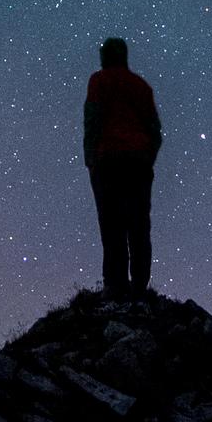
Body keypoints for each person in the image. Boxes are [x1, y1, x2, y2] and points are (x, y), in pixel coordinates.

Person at [83, 37, 162, 298]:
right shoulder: (141, 86)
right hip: (138, 162)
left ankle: (115, 284)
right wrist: (147, 157)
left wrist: (91, 158)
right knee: (138, 223)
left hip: (109, 159)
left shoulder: (99, 81)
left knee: (112, 221)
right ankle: (139, 284)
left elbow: (92, 120)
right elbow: (154, 130)